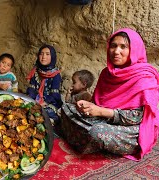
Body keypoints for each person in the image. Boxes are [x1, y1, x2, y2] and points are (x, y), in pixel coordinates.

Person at [60, 28, 159, 161]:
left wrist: (100, 111)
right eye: (113, 46)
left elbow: (137, 118)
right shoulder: (106, 73)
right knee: (67, 109)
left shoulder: (145, 77)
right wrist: (89, 106)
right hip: (105, 119)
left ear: (134, 50)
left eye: (123, 47)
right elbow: (98, 104)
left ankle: (89, 138)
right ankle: (91, 140)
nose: (116, 51)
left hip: (130, 130)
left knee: (98, 132)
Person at [26, 45, 63, 124]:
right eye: (41, 54)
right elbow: (32, 89)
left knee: (45, 112)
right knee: (25, 107)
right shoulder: (35, 71)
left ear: (52, 56)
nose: (43, 57)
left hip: (49, 102)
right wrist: (31, 101)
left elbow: (54, 95)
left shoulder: (56, 75)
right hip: (36, 100)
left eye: (47, 54)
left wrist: (43, 103)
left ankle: (52, 120)